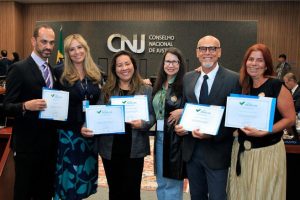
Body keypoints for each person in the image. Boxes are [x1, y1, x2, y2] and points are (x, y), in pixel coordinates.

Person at [81, 50, 155, 200]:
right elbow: (96, 112)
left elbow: (153, 115)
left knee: (133, 192)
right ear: (114, 69)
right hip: (111, 148)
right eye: (119, 65)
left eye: (127, 63)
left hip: (135, 149)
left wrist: (143, 123)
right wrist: (86, 125)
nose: (124, 68)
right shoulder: (107, 90)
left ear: (133, 65)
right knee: (115, 191)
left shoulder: (146, 89)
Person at [175, 35, 241, 200]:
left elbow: (234, 119)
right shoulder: (188, 78)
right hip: (192, 151)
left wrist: (213, 133)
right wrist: (181, 127)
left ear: (219, 52)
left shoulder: (234, 79)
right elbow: (186, 108)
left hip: (217, 152)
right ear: (197, 53)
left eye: (212, 48)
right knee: (196, 196)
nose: (207, 52)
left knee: (218, 197)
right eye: (203, 49)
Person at [227, 43, 295, 200]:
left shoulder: (276, 86)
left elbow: (290, 119)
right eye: (251, 59)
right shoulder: (242, 85)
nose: (254, 64)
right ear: (245, 62)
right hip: (241, 152)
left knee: (263, 194)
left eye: (260, 60)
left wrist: (266, 130)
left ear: (266, 65)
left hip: (267, 153)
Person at [3, 24, 58, 199]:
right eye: (44, 42)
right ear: (33, 41)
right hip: (27, 145)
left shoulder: (52, 70)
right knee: (25, 192)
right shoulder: (18, 69)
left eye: (51, 42)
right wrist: (26, 106)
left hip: (49, 144)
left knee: (45, 191)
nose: (48, 46)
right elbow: (6, 106)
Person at [53, 34, 102, 199]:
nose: (76, 52)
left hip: (89, 136)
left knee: (83, 182)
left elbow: (100, 102)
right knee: (68, 182)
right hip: (69, 136)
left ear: (86, 49)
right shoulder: (59, 73)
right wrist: (78, 125)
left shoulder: (96, 73)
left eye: (79, 47)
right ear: (67, 53)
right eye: (71, 49)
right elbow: (56, 107)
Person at [152, 47, 186, 200]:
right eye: (168, 61)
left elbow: (197, 105)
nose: (170, 65)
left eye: (174, 62)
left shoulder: (186, 84)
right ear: (163, 63)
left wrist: (183, 111)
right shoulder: (158, 84)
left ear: (180, 64)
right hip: (159, 137)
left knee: (173, 182)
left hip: (175, 139)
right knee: (160, 181)